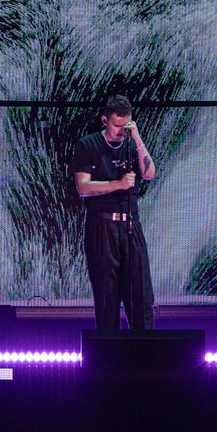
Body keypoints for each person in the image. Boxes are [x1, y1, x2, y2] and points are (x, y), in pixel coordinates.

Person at [71, 95, 156, 329]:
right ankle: (108, 349)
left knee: (141, 296)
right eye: (116, 125)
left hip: (130, 226)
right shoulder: (88, 145)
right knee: (107, 298)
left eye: (125, 125)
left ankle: (146, 350)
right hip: (102, 227)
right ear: (104, 120)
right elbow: (83, 188)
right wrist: (118, 184)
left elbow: (149, 174)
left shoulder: (133, 144)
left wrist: (136, 137)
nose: (121, 131)